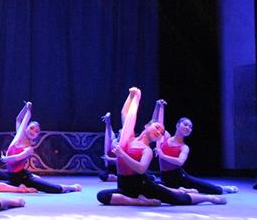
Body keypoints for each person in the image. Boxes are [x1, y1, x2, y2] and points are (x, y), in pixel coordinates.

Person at [96, 88, 226, 206]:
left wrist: (122, 155)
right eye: (157, 127)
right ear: (147, 126)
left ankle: (208, 198)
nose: (159, 132)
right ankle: (141, 201)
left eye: (161, 132)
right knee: (102, 196)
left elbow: (141, 169)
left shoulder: (147, 150)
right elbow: (125, 113)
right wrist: (131, 96)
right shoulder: (128, 138)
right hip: (124, 186)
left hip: (141, 185)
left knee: (178, 199)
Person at [0, 101, 82, 194]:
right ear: (26, 128)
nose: (33, 131)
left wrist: (6, 158)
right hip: (11, 178)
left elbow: (17, 157)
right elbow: (18, 119)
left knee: (54, 189)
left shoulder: (29, 149)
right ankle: (21, 189)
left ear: (37, 136)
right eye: (31, 128)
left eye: (36, 131)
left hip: (24, 178)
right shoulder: (18, 136)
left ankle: (72, 187)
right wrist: (26, 107)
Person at [155, 115, 239, 194]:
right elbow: (154, 123)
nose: (188, 128)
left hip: (178, 176)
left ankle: (222, 189)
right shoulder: (166, 136)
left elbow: (180, 162)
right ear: (177, 125)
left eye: (190, 127)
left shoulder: (184, 147)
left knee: (202, 186)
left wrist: (162, 156)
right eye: (185, 124)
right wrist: (159, 106)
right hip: (164, 176)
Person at [98, 112, 119, 182]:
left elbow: (123, 160)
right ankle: (115, 177)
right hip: (111, 168)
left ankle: (117, 178)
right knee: (102, 175)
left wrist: (109, 159)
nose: (121, 131)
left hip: (119, 167)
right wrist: (108, 120)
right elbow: (109, 132)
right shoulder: (113, 140)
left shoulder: (124, 144)